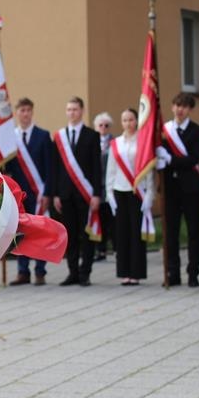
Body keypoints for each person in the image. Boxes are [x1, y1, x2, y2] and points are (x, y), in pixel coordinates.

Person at [156, 93, 199, 287]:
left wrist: (169, 159)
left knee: (193, 231)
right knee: (171, 232)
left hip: (190, 188)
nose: (179, 110)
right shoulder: (163, 130)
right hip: (170, 188)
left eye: (184, 106)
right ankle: (173, 272)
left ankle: (193, 273)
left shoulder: (197, 131)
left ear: (190, 109)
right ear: (172, 107)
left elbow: (193, 159)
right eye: (177, 105)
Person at [52, 96, 102, 287]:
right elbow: (56, 167)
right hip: (65, 194)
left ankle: (85, 273)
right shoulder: (59, 137)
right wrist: (56, 193)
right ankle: (72, 272)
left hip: (85, 194)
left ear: (82, 111)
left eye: (75, 109)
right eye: (69, 109)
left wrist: (97, 193)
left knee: (86, 234)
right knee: (70, 235)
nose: (72, 113)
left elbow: (97, 167)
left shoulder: (92, 135)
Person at [5, 97, 52, 286]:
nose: (25, 114)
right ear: (17, 113)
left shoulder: (43, 135)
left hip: (39, 193)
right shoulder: (11, 139)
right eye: (22, 110)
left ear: (32, 112)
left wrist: (47, 193)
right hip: (20, 194)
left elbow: (49, 167)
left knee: (39, 231)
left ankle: (40, 271)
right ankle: (22, 271)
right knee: (20, 232)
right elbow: (8, 168)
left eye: (28, 110)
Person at [105, 108, 154, 285]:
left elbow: (148, 170)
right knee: (122, 233)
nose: (128, 123)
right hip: (119, 190)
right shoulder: (115, 143)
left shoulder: (143, 142)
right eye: (125, 120)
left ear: (136, 121)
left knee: (136, 233)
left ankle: (136, 272)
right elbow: (111, 170)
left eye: (131, 119)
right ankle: (124, 272)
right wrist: (109, 193)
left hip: (137, 191)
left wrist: (150, 193)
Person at [94, 112, 115, 261]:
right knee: (99, 219)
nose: (103, 127)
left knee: (112, 220)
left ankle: (116, 248)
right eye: (100, 125)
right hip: (97, 186)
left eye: (106, 125)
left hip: (111, 185)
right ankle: (100, 250)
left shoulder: (114, 142)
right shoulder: (92, 141)